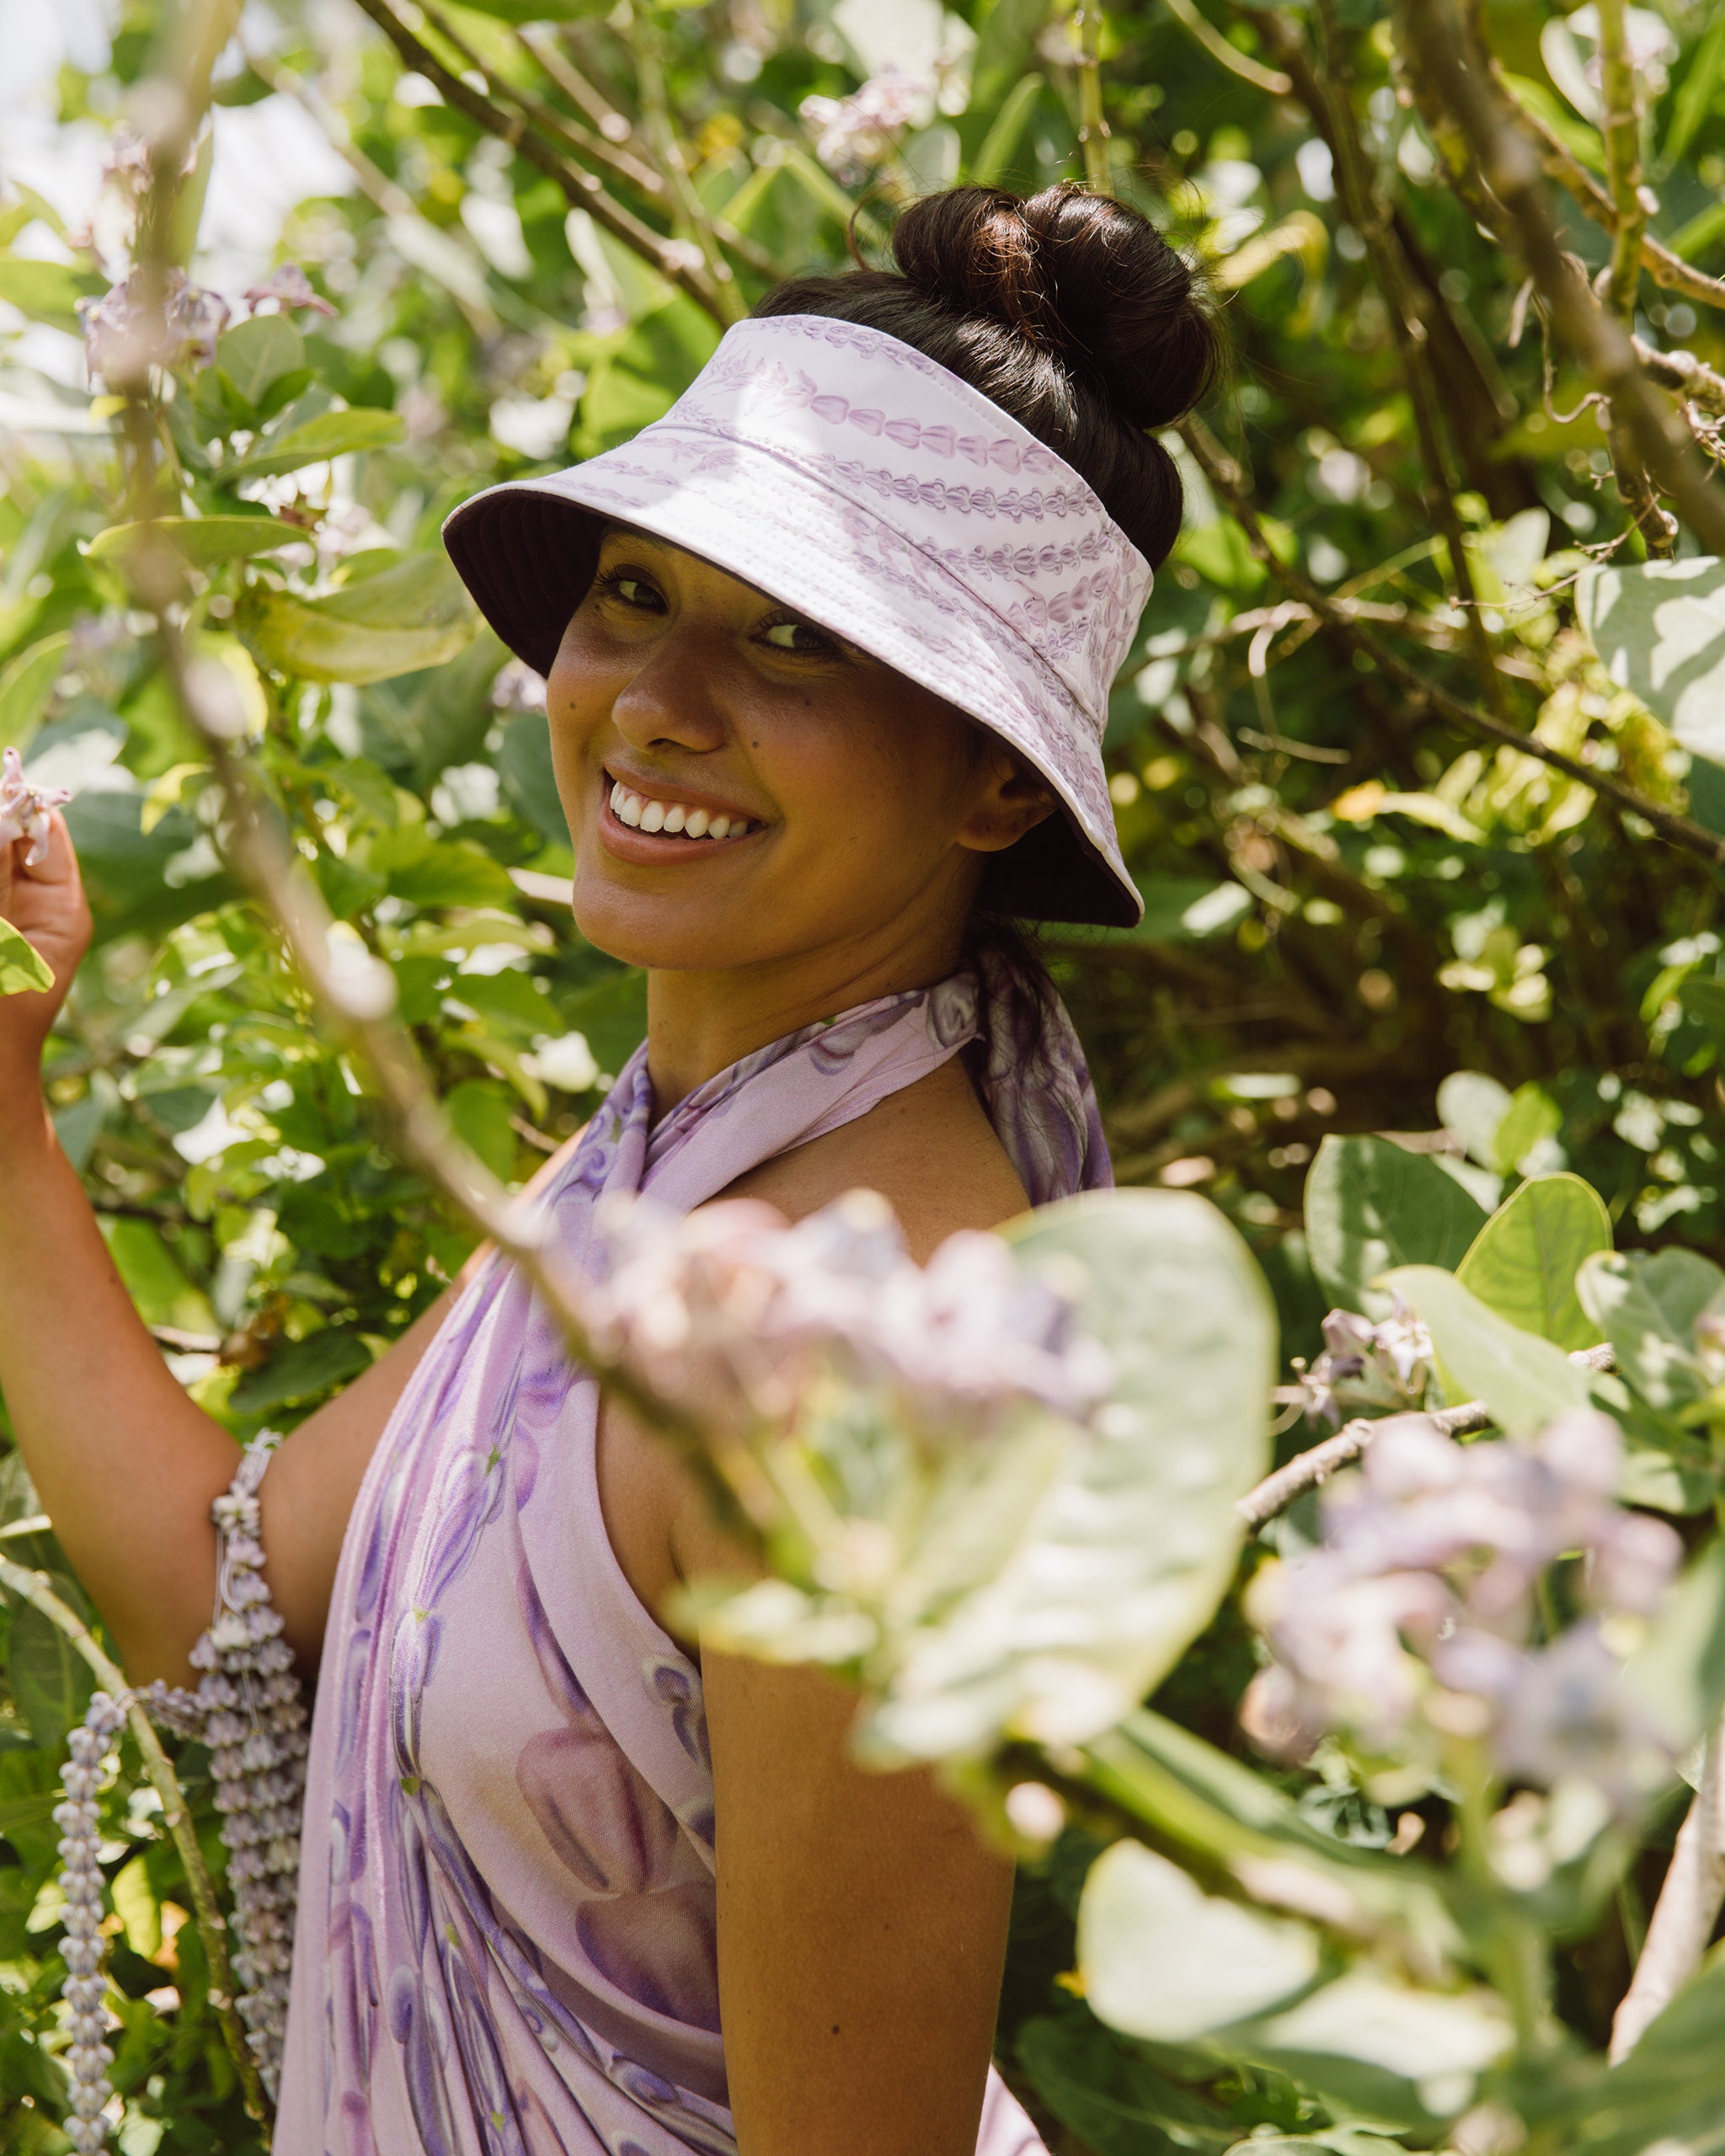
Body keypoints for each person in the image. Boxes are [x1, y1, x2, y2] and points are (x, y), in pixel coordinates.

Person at [0, 182, 1218, 2155]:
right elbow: (209, 1594)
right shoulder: (651, 1191)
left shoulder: (851, 1354)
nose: (655, 700)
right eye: (633, 594)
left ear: (998, 777)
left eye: (794, 638)